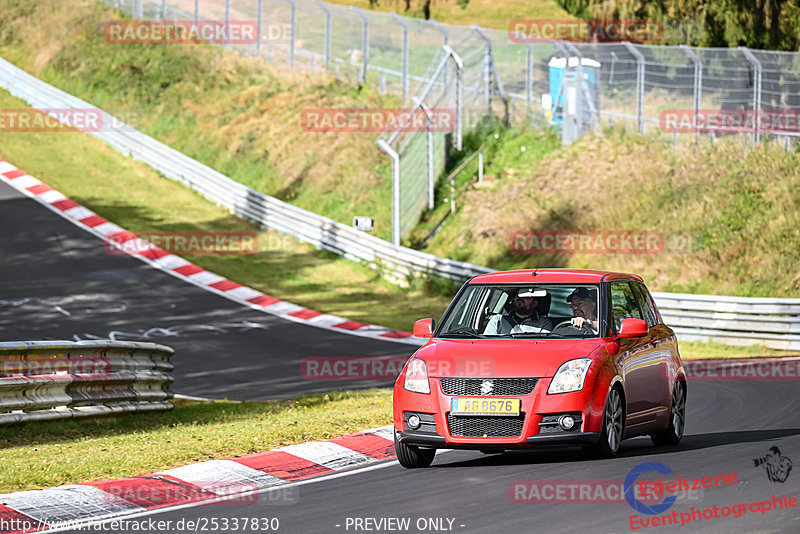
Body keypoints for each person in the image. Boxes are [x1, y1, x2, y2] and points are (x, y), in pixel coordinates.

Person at [484, 288, 553, 335]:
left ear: (534, 303)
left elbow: (543, 347)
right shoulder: (498, 320)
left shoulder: (544, 323)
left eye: (526, 296)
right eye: (517, 295)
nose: (520, 298)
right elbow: (486, 344)